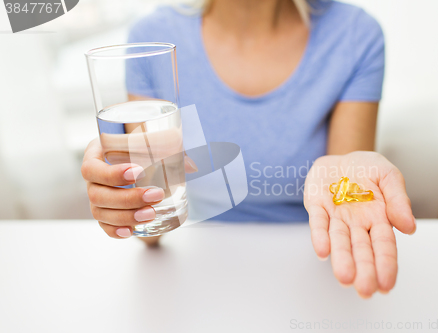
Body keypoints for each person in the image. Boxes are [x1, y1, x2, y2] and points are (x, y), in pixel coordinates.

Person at [81, 0, 416, 298]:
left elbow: (344, 203)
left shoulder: (354, 35)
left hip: (316, 264)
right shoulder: (153, 39)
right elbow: (154, 219)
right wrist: (125, 194)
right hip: (202, 273)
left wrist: (351, 182)